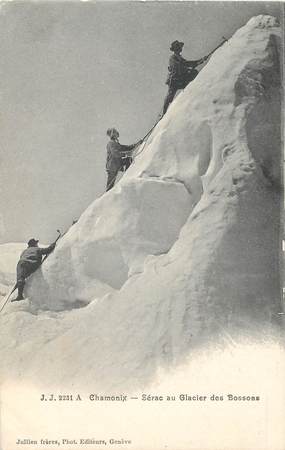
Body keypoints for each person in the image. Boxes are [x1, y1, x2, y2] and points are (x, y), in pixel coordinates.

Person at [162, 40, 207, 115]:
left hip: (180, 79)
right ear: (175, 49)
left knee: (194, 73)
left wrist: (199, 61)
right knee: (169, 97)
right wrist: (193, 65)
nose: (180, 49)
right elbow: (180, 66)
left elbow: (187, 64)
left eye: (180, 47)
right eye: (178, 47)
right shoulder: (173, 58)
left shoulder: (179, 57)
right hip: (174, 80)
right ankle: (164, 113)